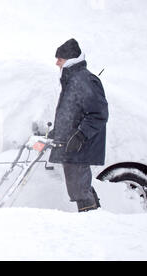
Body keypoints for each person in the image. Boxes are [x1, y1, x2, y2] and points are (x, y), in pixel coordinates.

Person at [48, 38, 109, 212]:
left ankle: (90, 221)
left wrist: (81, 134)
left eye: (59, 59)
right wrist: (58, 133)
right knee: (79, 186)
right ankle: (96, 217)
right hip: (72, 145)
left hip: (80, 145)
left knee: (79, 188)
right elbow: (72, 112)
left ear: (69, 59)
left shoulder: (84, 80)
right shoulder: (73, 79)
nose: (56, 63)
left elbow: (99, 113)